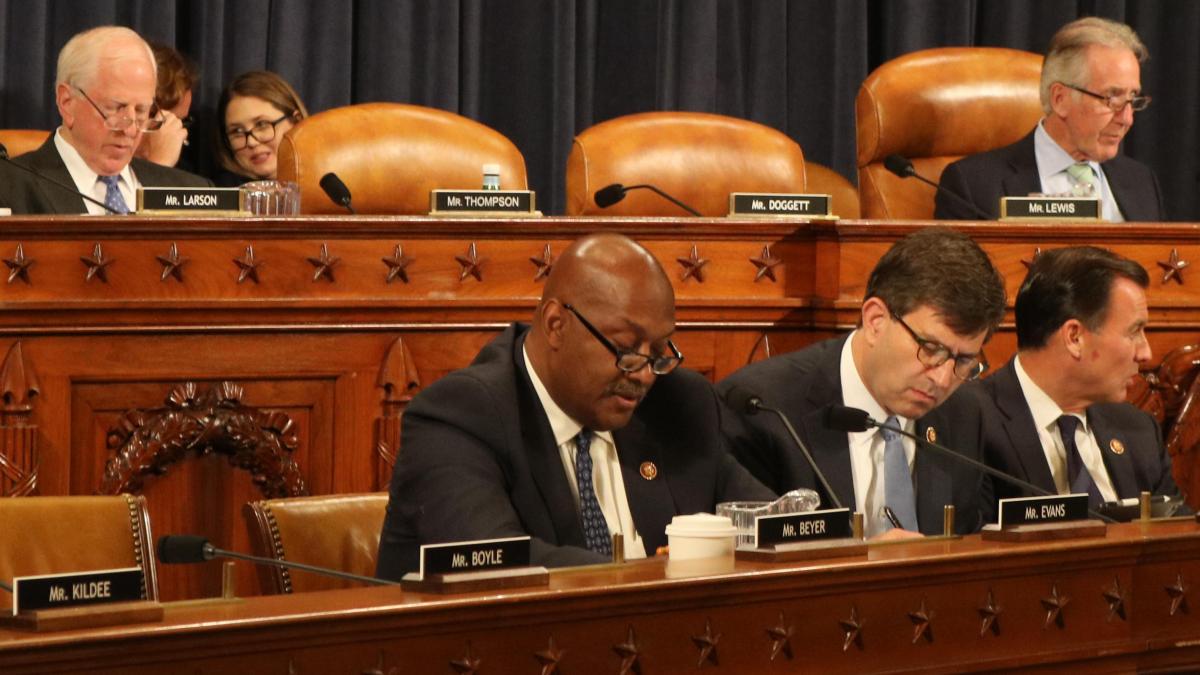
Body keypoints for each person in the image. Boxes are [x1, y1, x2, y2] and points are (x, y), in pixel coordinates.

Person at [376, 234, 774, 578]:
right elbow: (498, 565)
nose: (646, 374)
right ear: (555, 325)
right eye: (624, 348)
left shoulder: (679, 404)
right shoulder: (460, 417)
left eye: (657, 350)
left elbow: (769, 526)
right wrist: (656, 578)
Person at [718, 228, 1007, 539]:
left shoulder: (965, 413)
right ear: (875, 321)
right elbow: (750, 560)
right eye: (931, 349)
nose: (942, 379)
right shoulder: (764, 409)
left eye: (963, 361)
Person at [969, 246, 1180, 507]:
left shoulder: (1139, 432)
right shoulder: (970, 423)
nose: (1146, 353)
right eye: (1134, 332)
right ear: (1074, 337)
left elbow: (1177, 537)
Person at [936, 17, 1164, 222]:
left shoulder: (1141, 182)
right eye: (1111, 98)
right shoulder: (972, 186)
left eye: (1132, 98)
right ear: (1060, 99)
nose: (1127, 119)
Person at [0, 26, 210, 215]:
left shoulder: (196, 193)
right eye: (115, 109)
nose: (130, 130)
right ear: (67, 102)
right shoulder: (9, 187)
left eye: (141, 112)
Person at [214, 71, 307, 184]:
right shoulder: (221, 195)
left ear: (297, 121)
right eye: (237, 131)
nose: (251, 142)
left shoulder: (330, 183)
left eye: (262, 124)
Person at [134, 41, 197, 168]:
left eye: (182, 122)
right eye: (170, 122)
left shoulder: (186, 175)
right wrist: (160, 164)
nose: (177, 136)